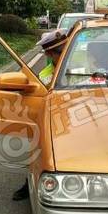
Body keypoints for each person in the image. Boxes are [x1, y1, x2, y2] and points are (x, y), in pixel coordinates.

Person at [12, 28, 68, 201]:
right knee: (40, 151)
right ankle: (30, 184)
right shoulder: (45, 76)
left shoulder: (83, 65)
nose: (63, 54)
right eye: (59, 52)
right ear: (50, 54)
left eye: (65, 49)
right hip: (53, 119)